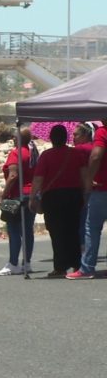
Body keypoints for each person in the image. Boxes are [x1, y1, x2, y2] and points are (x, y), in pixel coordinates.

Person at [30, 125, 85, 278]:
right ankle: (76, 263)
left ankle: (60, 266)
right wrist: (85, 193)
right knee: (73, 230)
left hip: (52, 197)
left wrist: (33, 197)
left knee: (56, 232)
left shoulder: (46, 156)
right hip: (74, 194)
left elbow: (38, 179)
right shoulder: (75, 153)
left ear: (52, 138)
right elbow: (83, 174)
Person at [68, 118, 107, 279]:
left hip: (102, 188)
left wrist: (89, 179)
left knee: (92, 228)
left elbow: (96, 156)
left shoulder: (102, 132)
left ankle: (87, 267)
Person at [0, 127, 37, 276]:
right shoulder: (32, 153)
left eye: (15, 136)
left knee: (13, 230)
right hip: (30, 194)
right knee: (27, 230)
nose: (13, 138)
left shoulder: (16, 153)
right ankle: (27, 263)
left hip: (16, 196)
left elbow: (13, 175)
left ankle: (13, 263)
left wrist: (3, 195)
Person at [73, 122, 96, 249]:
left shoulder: (79, 149)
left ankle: (82, 246)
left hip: (81, 187)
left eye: (76, 135)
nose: (73, 137)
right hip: (95, 187)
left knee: (81, 219)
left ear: (85, 135)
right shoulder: (95, 147)